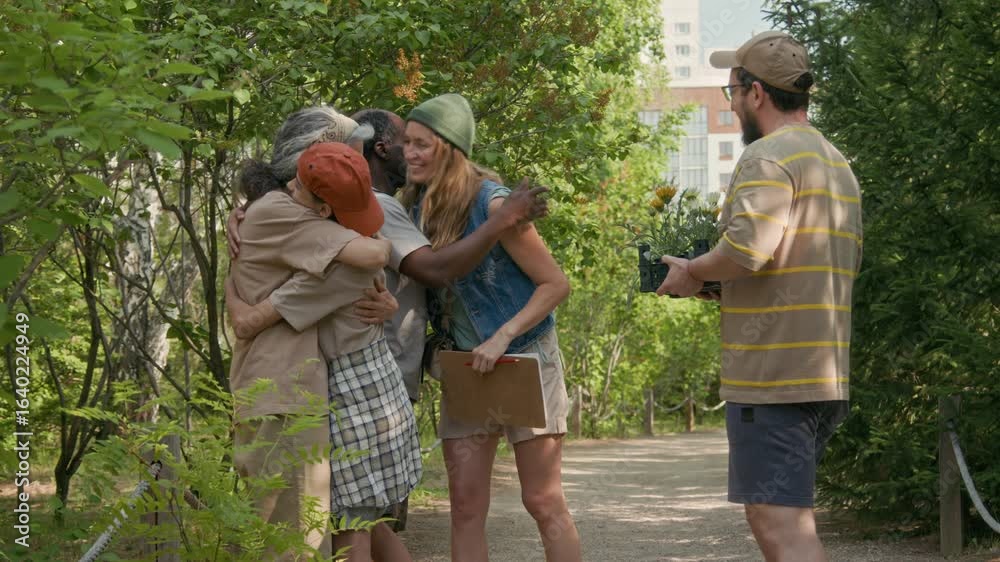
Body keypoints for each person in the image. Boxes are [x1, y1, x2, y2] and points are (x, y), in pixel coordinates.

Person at [656, 31, 862, 562]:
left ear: (757, 93)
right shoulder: (834, 161)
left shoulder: (767, 157)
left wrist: (693, 272)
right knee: (789, 518)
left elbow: (747, 250)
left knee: (778, 523)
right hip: (822, 372)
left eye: (732, 91)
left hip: (775, 377)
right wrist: (716, 287)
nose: (731, 104)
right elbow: (799, 265)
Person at [400, 93, 581, 561]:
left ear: (449, 148)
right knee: (464, 505)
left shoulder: (494, 203)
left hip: (525, 357)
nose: (409, 153)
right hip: (468, 366)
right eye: (406, 143)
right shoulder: (414, 205)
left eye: (421, 144)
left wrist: (502, 335)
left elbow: (555, 284)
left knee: (542, 500)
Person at [231, 142, 422, 562]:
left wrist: (235, 295)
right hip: (357, 393)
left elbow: (252, 320)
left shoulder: (338, 264)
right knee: (362, 521)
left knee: (350, 524)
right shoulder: (307, 235)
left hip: (354, 396)